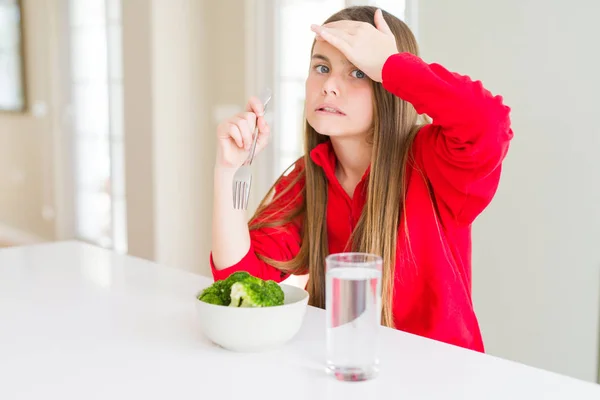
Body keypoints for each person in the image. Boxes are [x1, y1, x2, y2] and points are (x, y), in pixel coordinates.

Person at [210, 5, 513, 352]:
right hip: (347, 372)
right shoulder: (307, 177)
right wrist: (227, 170)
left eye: (358, 73)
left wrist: (391, 65)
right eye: (321, 67)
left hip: (440, 379)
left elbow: (489, 124)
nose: (329, 87)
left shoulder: (434, 161)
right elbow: (239, 285)